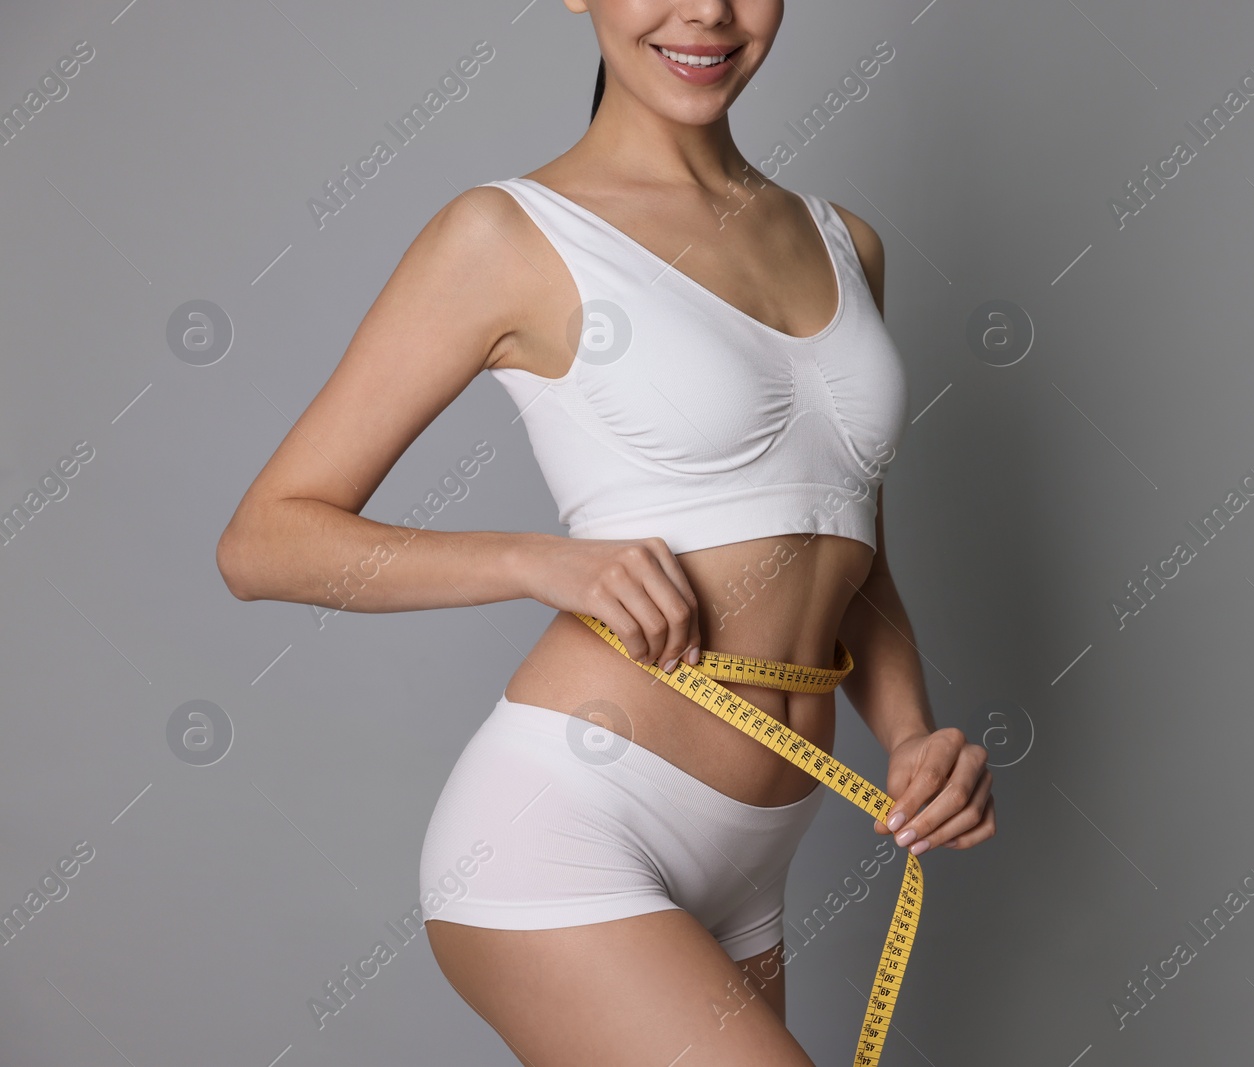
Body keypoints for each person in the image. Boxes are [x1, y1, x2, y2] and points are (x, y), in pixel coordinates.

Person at [215, 1, 996, 1063]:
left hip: (759, 859)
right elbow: (264, 542)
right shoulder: (507, 234)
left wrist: (910, 737)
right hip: (567, 826)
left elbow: (850, 546)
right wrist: (539, 561)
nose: (708, 12)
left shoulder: (845, 242)